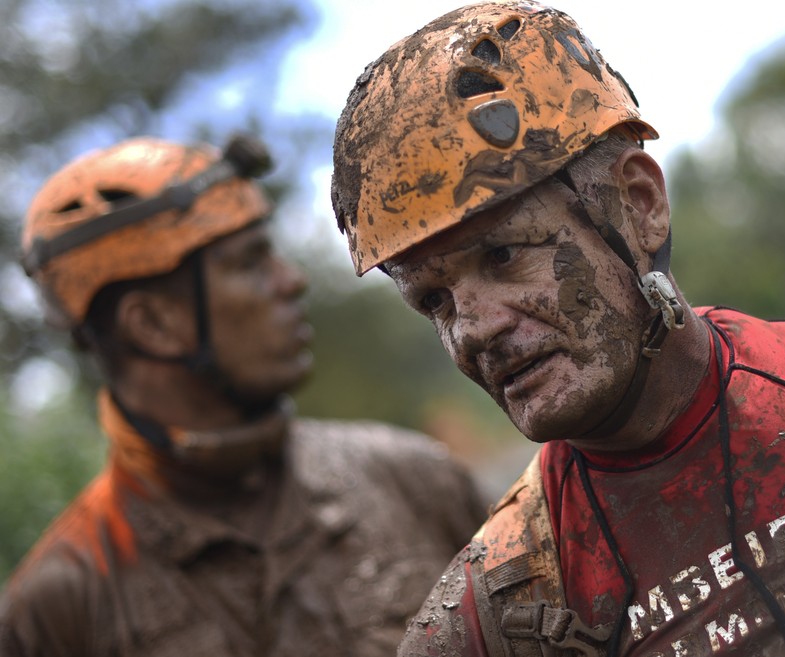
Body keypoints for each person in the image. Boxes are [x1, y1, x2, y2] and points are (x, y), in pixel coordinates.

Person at [330, 2, 785, 656]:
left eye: (503, 255)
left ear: (639, 205)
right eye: (436, 300)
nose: (473, 330)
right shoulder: (484, 620)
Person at [0, 133, 487, 657]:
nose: (291, 281)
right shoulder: (56, 612)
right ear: (153, 325)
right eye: (250, 262)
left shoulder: (414, 481)